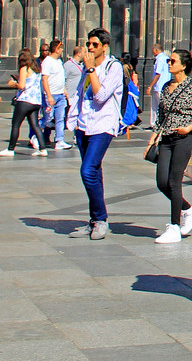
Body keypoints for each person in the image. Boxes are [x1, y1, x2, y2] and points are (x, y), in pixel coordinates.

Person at [145, 50, 192, 243]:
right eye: (168, 61)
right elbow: (162, 117)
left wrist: (189, 127)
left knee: (174, 181)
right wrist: (152, 139)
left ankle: (174, 226)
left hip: (184, 138)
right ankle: (189, 210)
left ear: (183, 65)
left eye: (172, 61)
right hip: (166, 138)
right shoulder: (165, 86)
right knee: (162, 181)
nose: (169, 64)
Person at [68, 29, 123, 238]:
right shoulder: (86, 68)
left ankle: (100, 219)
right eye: (88, 44)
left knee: (87, 170)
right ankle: (96, 220)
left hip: (103, 125)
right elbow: (81, 94)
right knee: (94, 172)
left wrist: (91, 69)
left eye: (94, 45)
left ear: (105, 46)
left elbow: (100, 96)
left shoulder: (113, 67)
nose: (90, 48)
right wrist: (72, 120)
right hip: (84, 124)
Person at [0, 51, 48, 157]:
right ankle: (43, 149)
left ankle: (10, 149)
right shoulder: (36, 70)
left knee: (16, 125)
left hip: (25, 100)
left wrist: (13, 83)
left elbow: (21, 85)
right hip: (36, 101)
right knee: (35, 125)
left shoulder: (24, 68)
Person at [41, 40, 69, 149]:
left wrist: (64, 90)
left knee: (60, 118)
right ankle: (35, 133)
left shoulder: (59, 61)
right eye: (61, 48)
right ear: (56, 49)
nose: (62, 50)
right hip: (51, 94)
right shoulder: (47, 61)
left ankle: (59, 140)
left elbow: (60, 78)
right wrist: (48, 95)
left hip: (60, 94)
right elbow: (44, 79)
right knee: (48, 119)